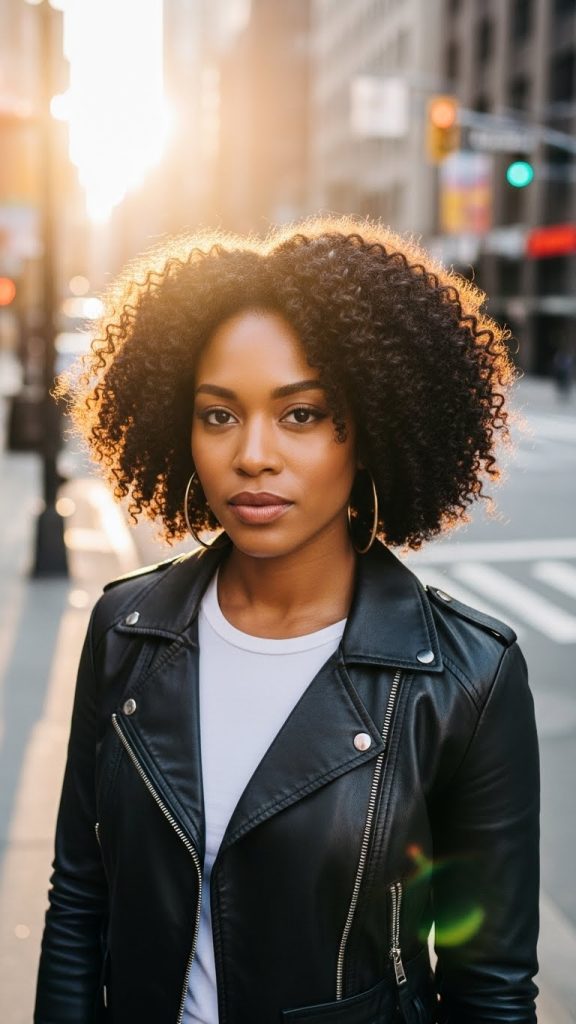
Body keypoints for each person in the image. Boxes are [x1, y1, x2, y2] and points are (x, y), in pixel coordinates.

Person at [34, 217, 540, 1024]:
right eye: (218, 414)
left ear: (371, 428)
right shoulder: (125, 630)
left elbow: (491, 988)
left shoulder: (467, 681)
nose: (253, 454)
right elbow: (81, 899)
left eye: (300, 414)